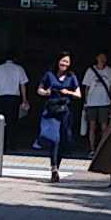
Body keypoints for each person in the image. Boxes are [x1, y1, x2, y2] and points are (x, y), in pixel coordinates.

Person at [35, 51, 82, 183]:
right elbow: (39, 90)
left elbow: (79, 94)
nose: (64, 64)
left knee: (63, 140)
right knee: (54, 138)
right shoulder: (49, 75)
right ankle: (54, 168)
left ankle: (56, 168)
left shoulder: (72, 77)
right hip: (52, 110)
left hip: (65, 111)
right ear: (58, 61)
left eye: (67, 62)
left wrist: (68, 92)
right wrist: (46, 92)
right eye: (63, 61)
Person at [0, 52, 29, 152]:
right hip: (14, 98)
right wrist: (24, 99)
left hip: (0, 98)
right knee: (13, 122)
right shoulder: (19, 68)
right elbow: (22, 85)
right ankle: (12, 144)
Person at [82, 51, 111, 153]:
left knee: (104, 126)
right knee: (92, 126)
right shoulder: (90, 71)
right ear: (96, 58)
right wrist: (86, 101)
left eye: (104, 57)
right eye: (100, 57)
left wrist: (110, 100)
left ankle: (103, 148)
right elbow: (87, 87)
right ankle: (92, 149)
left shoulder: (110, 71)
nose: (102, 59)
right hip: (91, 102)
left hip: (105, 102)